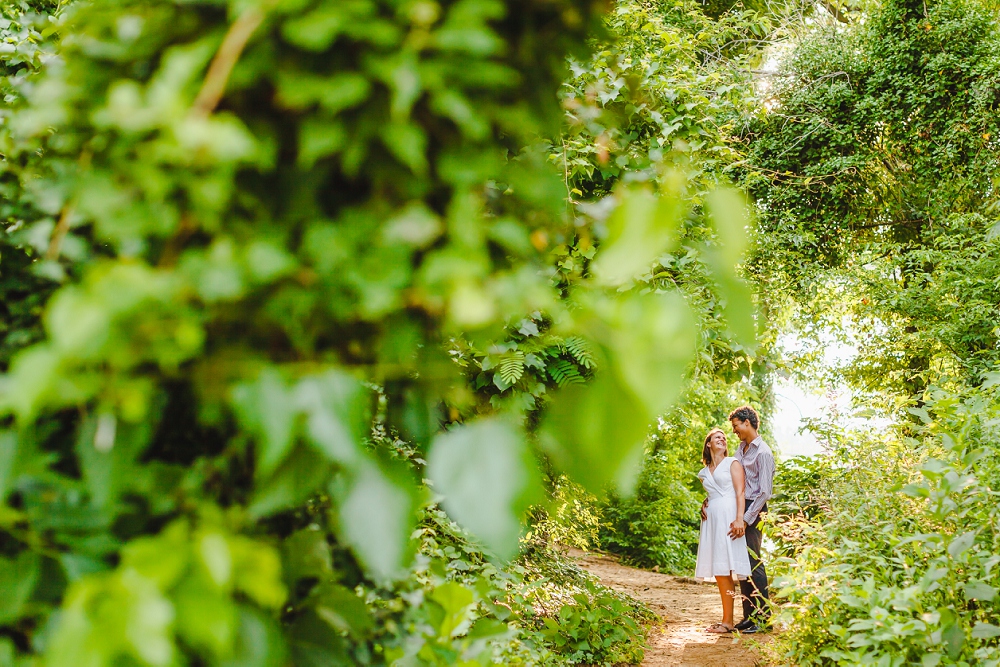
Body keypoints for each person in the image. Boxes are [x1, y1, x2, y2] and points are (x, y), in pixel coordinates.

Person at [694, 428, 752, 633]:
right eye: (717, 437)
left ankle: (741, 619)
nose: (722, 439)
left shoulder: (732, 463)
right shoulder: (703, 472)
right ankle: (726, 621)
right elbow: (713, 493)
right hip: (712, 521)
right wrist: (705, 502)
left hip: (730, 518)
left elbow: (740, 491)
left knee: (731, 567)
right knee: (720, 570)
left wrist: (739, 519)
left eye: (724, 437)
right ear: (708, 444)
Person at [728, 405, 775, 633]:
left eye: (736, 426)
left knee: (753, 562)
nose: (734, 430)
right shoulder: (741, 449)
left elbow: (764, 491)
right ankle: (749, 616)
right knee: (742, 563)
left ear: (747, 422)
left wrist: (746, 518)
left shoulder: (763, 452)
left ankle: (764, 619)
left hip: (755, 510)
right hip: (740, 507)